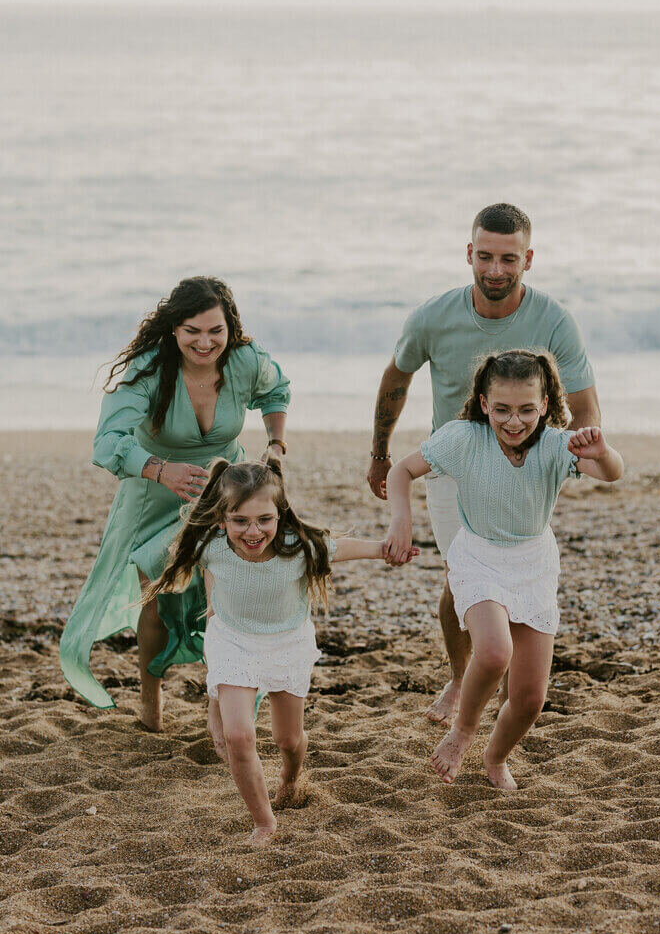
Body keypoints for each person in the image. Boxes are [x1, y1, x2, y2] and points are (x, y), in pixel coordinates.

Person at [367, 202, 600, 724]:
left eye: (509, 259)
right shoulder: (434, 316)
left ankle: (501, 672)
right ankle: (461, 675)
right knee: (464, 574)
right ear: (470, 253)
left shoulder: (555, 320)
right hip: (454, 467)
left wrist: (581, 456)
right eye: (486, 257)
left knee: (515, 570)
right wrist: (380, 454)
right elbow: (395, 380)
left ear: (528, 259)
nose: (496, 270)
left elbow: (585, 402)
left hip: (529, 463)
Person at [146, 457, 418, 846]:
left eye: (264, 520)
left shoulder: (297, 546)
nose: (253, 531)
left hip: (287, 643)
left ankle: (291, 776)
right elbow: (177, 562)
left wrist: (387, 550)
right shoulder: (210, 547)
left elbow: (343, 548)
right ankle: (264, 822)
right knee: (239, 736)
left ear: (280, 514)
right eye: (240, 521)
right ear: (222, 519)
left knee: (289, 739)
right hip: (234, 642)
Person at [59, 276, 291, 732]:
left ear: (230, 328)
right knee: (156, 594)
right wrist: (159, 469)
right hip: (153, 494)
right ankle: (151, 701)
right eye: (192, 331)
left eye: (215, 331)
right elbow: (108, 441)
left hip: (223, 492)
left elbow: (276, 392)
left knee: (222, 593)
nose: (205, 343)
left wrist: (276, 445)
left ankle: (224, 698)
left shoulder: (244, 361)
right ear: (174, 330)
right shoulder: (150, 369)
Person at [385, 349, 623, 788]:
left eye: (527, 410)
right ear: (483, 404)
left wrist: (604, 453)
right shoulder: (463, 438)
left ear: (545, 405)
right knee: (494, 652)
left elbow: (611, 472)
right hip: (478, 555)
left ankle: (496, 758)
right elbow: (401, 471)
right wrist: (402, 521)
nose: (514, 422)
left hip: (533, 562)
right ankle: (463, 731)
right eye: (502, 410)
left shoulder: (555, 444)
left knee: (530, 698)